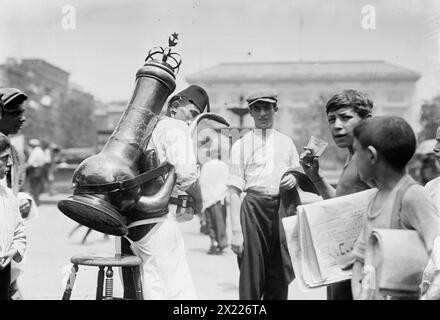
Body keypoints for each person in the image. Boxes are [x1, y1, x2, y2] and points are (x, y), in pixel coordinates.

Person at [116, 87, 204, 300]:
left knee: (136, 291)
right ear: (175, 107)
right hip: (156, 221)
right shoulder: (176, 127)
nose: (191, 122)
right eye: (192, 114)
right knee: (174, 291)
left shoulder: (142, 128)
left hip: (126, 225)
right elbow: (187, 175)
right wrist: (200, 202)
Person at [350, 116, 440, 300]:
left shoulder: (412, 196)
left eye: (356, 153)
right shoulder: (375, 198)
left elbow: (438, 253)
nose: (354, 160)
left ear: (372, 155)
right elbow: (361, 260)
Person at [300, 89, 373, 300]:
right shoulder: (353, 156)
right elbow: (341, 206)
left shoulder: (368, 158)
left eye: (346, 118)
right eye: (332, 119)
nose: (337, 125)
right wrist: (316, 177)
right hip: (344, 260)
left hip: (359, 263)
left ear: (366, 120)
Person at [227, 89, 300, 300]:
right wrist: (236, 232)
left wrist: (294, 178)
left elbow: (297, 174)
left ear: (275, 109)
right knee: (251, 273)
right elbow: (233, 190)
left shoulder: (286, 142)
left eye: (266, 108)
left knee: (279, 271)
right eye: (257, 109)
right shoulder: (240, 144)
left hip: (280, 209)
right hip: (252, 209)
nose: (262, 113)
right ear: (250, 112)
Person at [0, 88, 33, 300]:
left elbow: (13, 191)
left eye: (22, 112)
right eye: (14, 113)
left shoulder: (15, 152)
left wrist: (24, 201)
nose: (22, 118)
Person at [0, 133, 26, 300]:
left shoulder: (8, 196)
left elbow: (19, 231)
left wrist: (14, 250)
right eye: (4, 158)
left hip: (3, 271)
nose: (9, 163)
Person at [25, 139, 46, 206]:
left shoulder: (35, 151)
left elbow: (30, 162)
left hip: (35, 170)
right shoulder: (40, 150)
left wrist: (23, 167)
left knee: (34, 187)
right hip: (39, 170)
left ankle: (35, 202)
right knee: (37, 186)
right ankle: (36, 201)